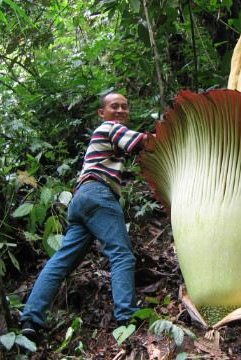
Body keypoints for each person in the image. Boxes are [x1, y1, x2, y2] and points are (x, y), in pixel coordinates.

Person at [20, 93, 148, 340]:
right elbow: (142, 142)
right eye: (114, 106)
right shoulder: (111, 127)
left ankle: (30, 318)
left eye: (124, 106)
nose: (121, 110)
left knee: (61, 261)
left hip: (80, 200)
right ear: (102, 112)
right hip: (99, 194)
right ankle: (127, 317)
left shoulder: (106, 134)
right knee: (121, 254)